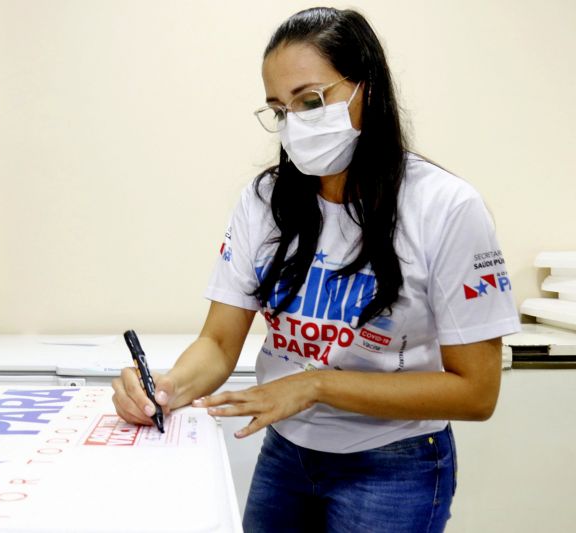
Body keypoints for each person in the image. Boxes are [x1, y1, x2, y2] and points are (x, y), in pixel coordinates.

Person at [112, 7, 520, 532]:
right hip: (287, 455)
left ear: (366, 89)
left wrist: (317, 385)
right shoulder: (264, 201)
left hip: (393, 464)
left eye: (311, 101)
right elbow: (217, 344)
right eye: (279, 110)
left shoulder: (445, 207)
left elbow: (476, 392)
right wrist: (162, 390)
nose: (295, 124)